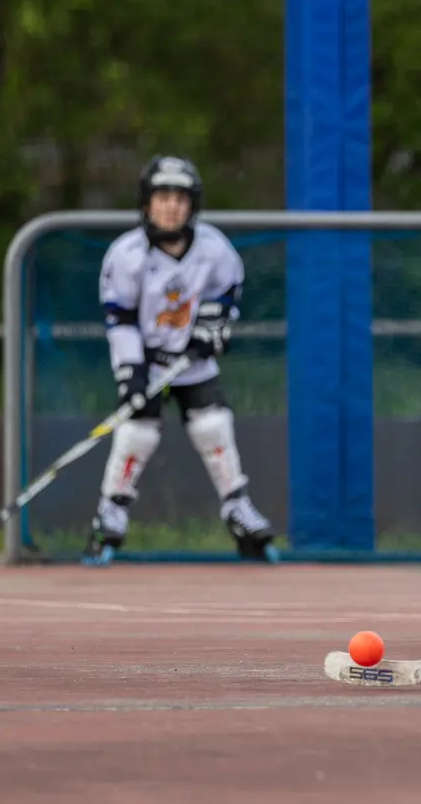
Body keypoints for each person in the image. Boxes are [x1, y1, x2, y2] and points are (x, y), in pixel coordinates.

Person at [83, 155, 278, 566]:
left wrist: (212, 329)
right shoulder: (126, 255)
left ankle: (236, 507)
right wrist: (130, 374)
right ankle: (111, 512)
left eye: (180, 197)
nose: (172, 206)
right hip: (148, 361)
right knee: (137, 433)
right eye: (163, 196)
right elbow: (119, 320)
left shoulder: (214, 250)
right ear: (147, 203)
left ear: (192, 204)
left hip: (192, 361)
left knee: (213, 425)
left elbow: (228, 296)